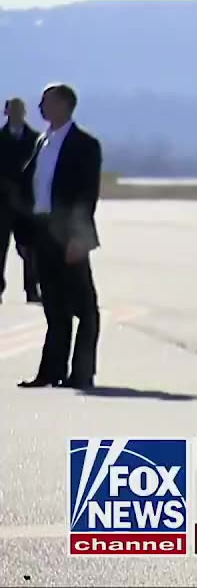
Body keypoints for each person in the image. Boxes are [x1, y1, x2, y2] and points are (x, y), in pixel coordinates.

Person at [16, 83, 102, 390]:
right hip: (43, 233)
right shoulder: (43, 142)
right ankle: (50, 371)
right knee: (54, 307)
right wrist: (24, 237)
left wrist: (79, 238)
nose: (40, 108)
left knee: (85, 308)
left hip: (70, 234)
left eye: (46, 102)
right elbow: (31, 191)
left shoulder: (85, 145)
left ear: (65, 105)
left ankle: (82, 372)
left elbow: (86, 196)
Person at [1, 97, 40, 303]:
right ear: (6, 112)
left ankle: (32, 288)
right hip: (2, 203)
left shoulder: (36, 140)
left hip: (26, 203)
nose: (16, 113)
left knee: (30, 248)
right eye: (12, 109)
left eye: (19, 110)